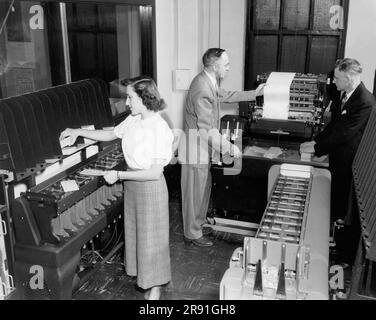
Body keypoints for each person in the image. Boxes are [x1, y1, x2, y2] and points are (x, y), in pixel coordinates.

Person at [59, 77, 174, 300]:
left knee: (153, 239)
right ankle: (145, 279)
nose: (127, 103)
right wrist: (78, 132)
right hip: (133, 185)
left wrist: (119, 175)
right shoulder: (134, 119)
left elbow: (155, 172)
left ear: (144, 98)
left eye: (130, 98)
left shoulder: (159, 127)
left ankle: (156, 287)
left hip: (150, 188)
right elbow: (111, 133)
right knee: (138, 236)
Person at [179, 48, 265, 247]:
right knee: (194, 192)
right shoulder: (201, 87)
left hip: (203, 147)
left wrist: (256, 93)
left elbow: (226, 95)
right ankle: (192, 233)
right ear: (215, 66)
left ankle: (198, 225)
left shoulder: (208, 81)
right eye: (225, 65)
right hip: (196, 147)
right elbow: (205, 129)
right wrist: (229, 147)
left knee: (202, 188)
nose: (228, 68)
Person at [300, 58, 375, 225]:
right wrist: (315, 141)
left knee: (339, 195)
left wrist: (316, 148)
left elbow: (344, 133)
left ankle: (333, 228)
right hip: (337, 153)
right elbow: (335, 125)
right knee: (333, 192)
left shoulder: (365, 101)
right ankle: (329, 221)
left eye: (337, 78)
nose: (333, 82)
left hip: (348, 158)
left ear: (348, 79)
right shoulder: (346, 94)